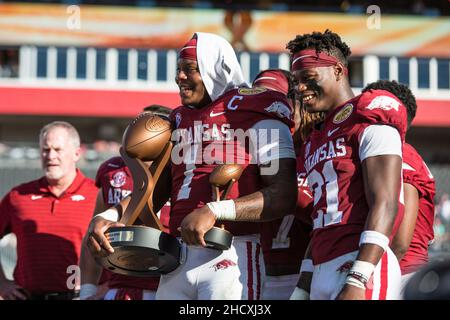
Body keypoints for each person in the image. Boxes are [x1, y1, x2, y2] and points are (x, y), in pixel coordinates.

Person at [87, 32, 298, 300]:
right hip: (177, 258)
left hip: (230, 252)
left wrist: (215, 210)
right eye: (178, 70)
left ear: (215, 68)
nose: (180, 77)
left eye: (189, 69)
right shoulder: (179, 118)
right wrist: (109, 217)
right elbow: (152, 190)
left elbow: (283, 194)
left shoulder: (255, 107)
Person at [287, 30, 408, 300]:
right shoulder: (317, 136)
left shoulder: (368, 115)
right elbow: (323, 218)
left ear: (338, 70)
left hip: (360, 263)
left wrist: (358, 276)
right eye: (297, 81)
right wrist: (304, 285)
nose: (301, 89)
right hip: (322, 267)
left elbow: (386, 203)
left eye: (308, 78)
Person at [79, 105, 172, 300]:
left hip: (167, 284)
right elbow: (93, 234)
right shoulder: (111, 169)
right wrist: (88, 291)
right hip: (118, 283)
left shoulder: (180, 173)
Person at [0, 121, 98, 300]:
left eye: (58, 149)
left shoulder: (98, 196)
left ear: (76, 153)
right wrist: (2, 283)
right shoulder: (18, 196)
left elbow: (120, 249)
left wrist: (104, 289)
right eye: (45, 150)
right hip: (27, 296)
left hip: (79, 297)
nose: (50, 156)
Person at [361, 80, 436, 295]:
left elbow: (401, 240)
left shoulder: (401, 154)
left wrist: (366, 275)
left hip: (401, 273)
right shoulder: (395, 151)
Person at [252, 69, 313, 300]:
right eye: (259, 102)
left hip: (302, 275)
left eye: (275, 102)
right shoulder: (246, 151)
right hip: (253, 273)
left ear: (298, 104)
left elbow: (325, 219)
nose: (267, 110)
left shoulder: (314, 149)